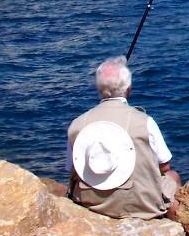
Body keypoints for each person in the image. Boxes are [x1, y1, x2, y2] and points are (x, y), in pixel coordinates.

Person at [67, 56, 181, 220]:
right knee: (173, 176)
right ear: (129, 89)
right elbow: (164, 166)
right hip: (140, 205)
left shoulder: (76, 125)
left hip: (91, 203)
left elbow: (73, 168)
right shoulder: (144, 122)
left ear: (98, 88)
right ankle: (176, 228)